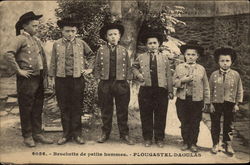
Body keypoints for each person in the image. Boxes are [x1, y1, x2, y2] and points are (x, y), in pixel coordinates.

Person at [5, 11, 53, 147]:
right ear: (25, 26)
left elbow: (42, 59)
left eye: (38, 26)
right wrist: (19, 71)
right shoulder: (20, 39)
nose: (37, 28)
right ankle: (27, 135)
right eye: (34, 26)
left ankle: (37, 133)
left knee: (38, 106)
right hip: (27, 79)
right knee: (26, 107)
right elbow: (8, 54)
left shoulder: (36, 39)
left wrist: (46, 75)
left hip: (39, 78)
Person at [49, 17, 95, 145]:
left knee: (76, 106)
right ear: (62, 31)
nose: (70, 34)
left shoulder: (81, 43)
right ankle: (66, 134)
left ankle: (77, 134)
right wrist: (52, 79)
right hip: (61, 80)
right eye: (67, 31)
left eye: (73, 31)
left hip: (77, 80)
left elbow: (91, 55)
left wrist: (89, 68)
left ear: (76, 31)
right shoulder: (56, 44)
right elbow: (53, 62)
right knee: (64, 107)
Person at [94, 22, 134, 145]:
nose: (113, 37)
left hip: (121, 83)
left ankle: (124, 134)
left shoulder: (123, 50)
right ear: (106, 37)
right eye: (110, 34)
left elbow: (128, 66)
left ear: (119, 36)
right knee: (106, 110)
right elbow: (97, 66)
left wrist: (128, 80)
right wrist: (97, 80)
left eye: (115, 34)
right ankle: (105, 133)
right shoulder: (101, 50)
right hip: (105, 83)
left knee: (122, 110)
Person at [132, 31, 174, 148]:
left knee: (161, 114)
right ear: (146, 45)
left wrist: (170, 91)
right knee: (146, 114)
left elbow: (168, 75)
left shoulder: (164, 58)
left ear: (159, 44)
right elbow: (134, 67)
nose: (152, 45)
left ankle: (159, 138)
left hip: (161, 91)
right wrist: (138, 75)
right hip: (146, 90)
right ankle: (147, 138)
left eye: (154, 43)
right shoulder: (141, 57)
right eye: (149, 43)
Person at [173, 40, 210, 152]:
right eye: (188, 54)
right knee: (184, 121)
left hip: (197, 100)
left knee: (195, 122)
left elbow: (206, 86)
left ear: (197, 56)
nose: (190, 57)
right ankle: (185, 142)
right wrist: (182, 80)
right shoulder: (179, 67)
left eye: (193, 55)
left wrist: (207, 101)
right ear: (184, 55)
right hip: (182, 100)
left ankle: (193, 143)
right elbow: (174, 82)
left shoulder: (201, 69)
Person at [209, 47, 243, 155]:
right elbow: (209, 90)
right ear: (218, 62)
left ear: (231, 61)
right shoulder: (214, 74)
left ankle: (227, 144)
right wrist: (210, 103)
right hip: (216, 103)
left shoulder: (235, 75)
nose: (225, 63)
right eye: (222, 61)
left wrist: (237, 103)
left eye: (227, 61)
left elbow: (239, 90)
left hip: (230, 103)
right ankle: (215, 143)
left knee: (229, 124)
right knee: (215, 124)